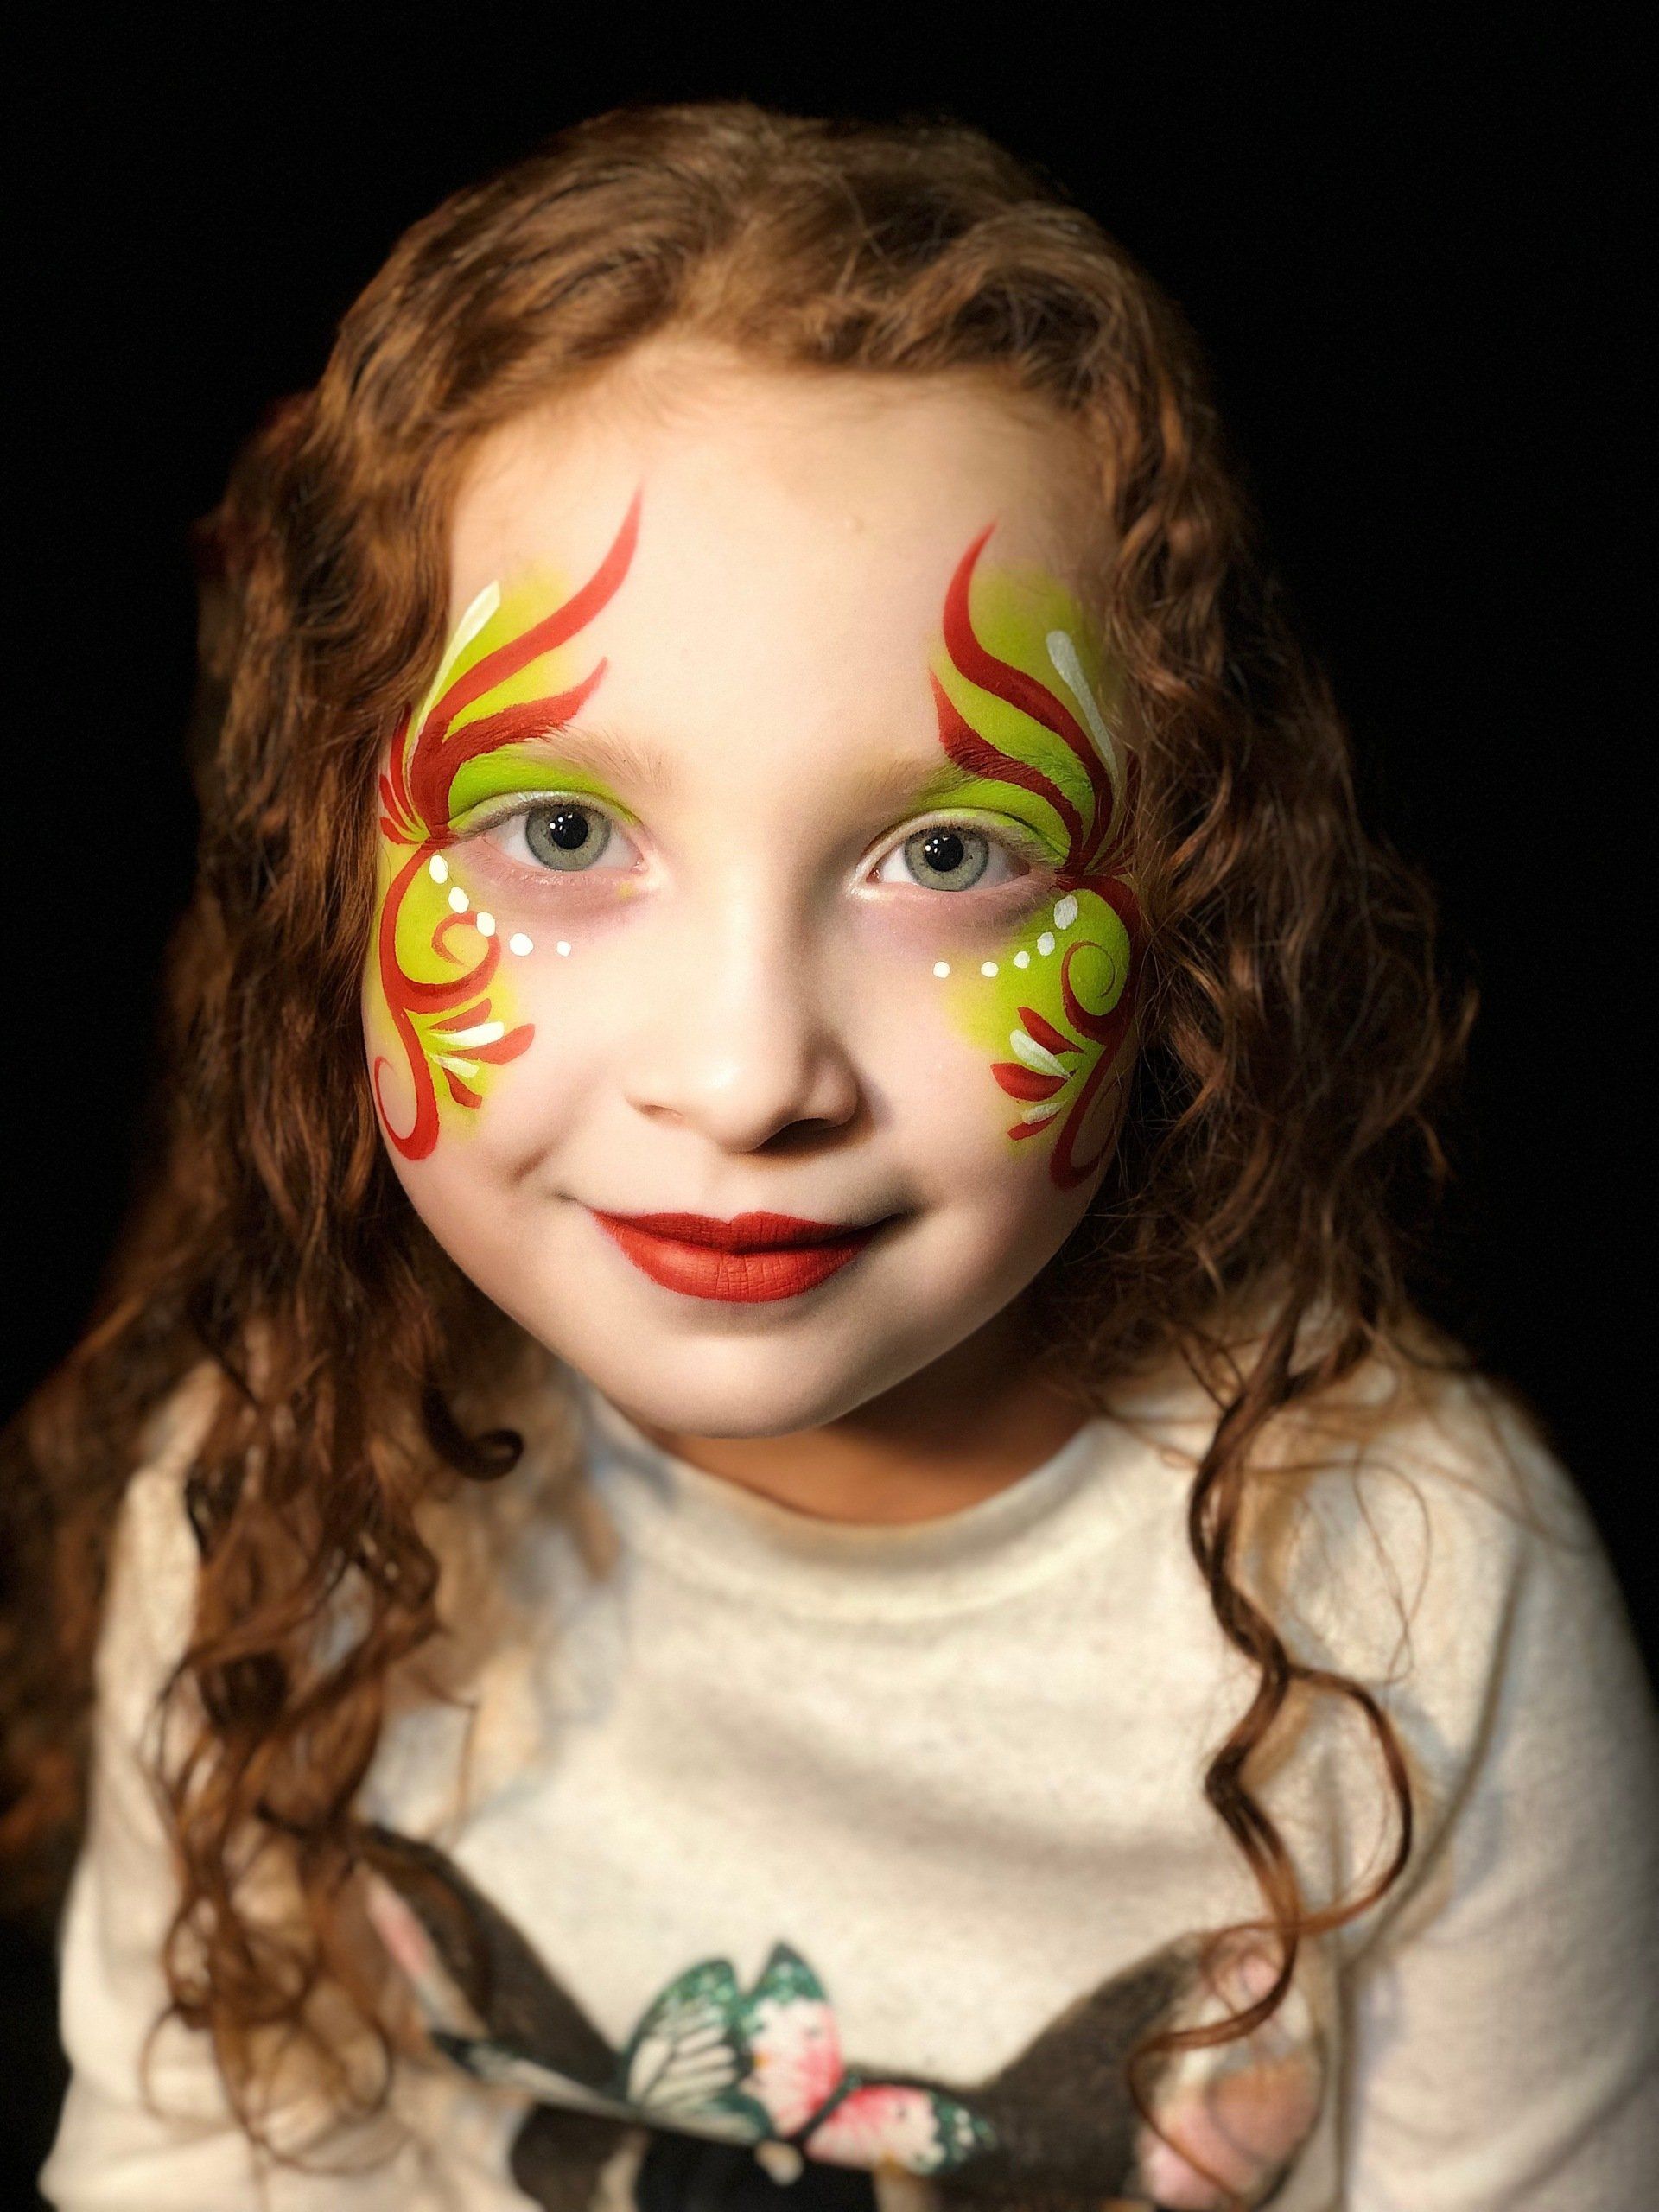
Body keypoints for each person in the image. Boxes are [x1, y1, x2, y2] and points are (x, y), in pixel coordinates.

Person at [3, 99, 1654, 2212]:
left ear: (1194, 915)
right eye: (566, 831)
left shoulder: (1416, 1588)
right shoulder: (278, 1501)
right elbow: (199, 2161)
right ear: (333, 874)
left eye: (946, 853)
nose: (748, 1066)